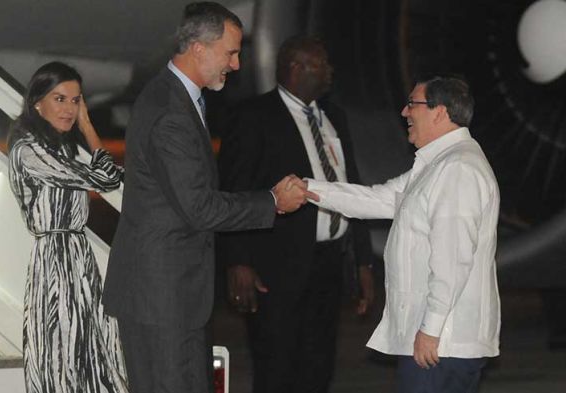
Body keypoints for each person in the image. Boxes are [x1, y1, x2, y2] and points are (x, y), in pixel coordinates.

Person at [101, 3, 313, 393]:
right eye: (230, 52)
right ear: (199, 48)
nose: (235, 65)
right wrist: (272, 202)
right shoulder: (170, 111)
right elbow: (198, 206)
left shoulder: (178, 98)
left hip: (174, 294)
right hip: (161, 298)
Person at [306, 76, 501, 393]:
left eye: (413, 104)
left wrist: (431, 329)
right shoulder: (437, 165)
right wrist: (308, 190)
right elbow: (378, 199)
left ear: (439, 111)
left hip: (442, 345)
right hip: (438, 343)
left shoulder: (457, 169)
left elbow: (453, 259)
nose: (404, 111)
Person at [218, 35, 374, 393]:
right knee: (277, 366)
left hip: (329, 264)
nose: (330, 72)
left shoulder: (334, 116)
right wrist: (237, 261)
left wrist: (363, 261)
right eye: (322, 65)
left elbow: (352, 187)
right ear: (295, 68)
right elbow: (234, 192)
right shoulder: (254, 117)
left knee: (318, 367)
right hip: (276, 266)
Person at [7, 61, 128, 393]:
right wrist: (89, 127)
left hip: (77, 255)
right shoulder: (28, 150)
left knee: (92, 350)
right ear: (37, 103)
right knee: (61, 355)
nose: (70, 108)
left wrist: (86, 128)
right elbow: (106, 177)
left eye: (76, 101)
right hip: (55, 262)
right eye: (60, 99)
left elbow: (108, 177)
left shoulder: (58, 148)